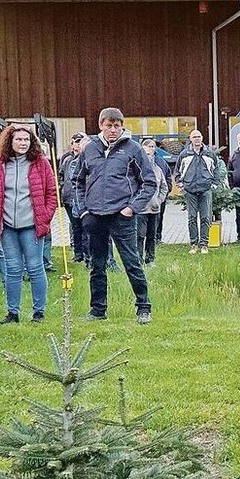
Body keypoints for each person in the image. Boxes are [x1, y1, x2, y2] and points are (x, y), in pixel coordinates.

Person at [76, 107, 156, 323]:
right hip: (94, 216)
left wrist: (132, 207)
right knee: (97, 264)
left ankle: (143, 307)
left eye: (116, 126)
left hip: (122, 215)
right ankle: (97, 309)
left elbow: (149, 183)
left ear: (122, 126)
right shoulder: (89, 150)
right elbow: (78, 182)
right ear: (100, 125)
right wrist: (83, 211)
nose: (112, 130)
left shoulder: (133, 149)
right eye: (108, 125)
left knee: (132, 262)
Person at [0, 123, 58, 324]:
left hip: (32, 226)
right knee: (12, 268)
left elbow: (51, 193)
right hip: (7, 227)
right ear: (10, 142)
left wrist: (46, 215)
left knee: (35, 267)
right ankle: (12, 313)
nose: (23, 143)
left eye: (26, 139)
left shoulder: (41, 163)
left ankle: (39, 312)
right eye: (19, 139)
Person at [174, 130, 220, 255]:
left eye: (199, 137)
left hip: (206, 190)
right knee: (192, 218)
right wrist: (180, 184)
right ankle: (193, 244)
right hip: (190, 190)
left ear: (202, 138)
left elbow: (216, 170)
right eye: (194, 137)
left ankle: (204, 244)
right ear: (190, 139)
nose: (197, 139)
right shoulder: (184, 154)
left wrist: (214, 185)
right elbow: (177, 171)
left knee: (206, 217)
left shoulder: (209, 154)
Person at [137, 137, 171, 265]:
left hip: (154, 209)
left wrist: (159, 200)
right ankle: (138, 260)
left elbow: (164, 187)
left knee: (152, 236)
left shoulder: (157, 169)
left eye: (150, 153)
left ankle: (150, 259)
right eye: (145, 153)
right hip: (140, 209)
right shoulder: (137, 170)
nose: (148, 155)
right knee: (139, 236)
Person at [58, 133, 90, 264]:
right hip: (68, 199)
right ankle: (78, 253)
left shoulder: (88, 158)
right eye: (76, 141)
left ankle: (87, 254)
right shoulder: (66, 159)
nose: (78, 144)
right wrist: (63, 190)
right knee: (75, 226)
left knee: (85, 227)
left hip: (82, 199)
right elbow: (61, 176)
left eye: (80, 141)